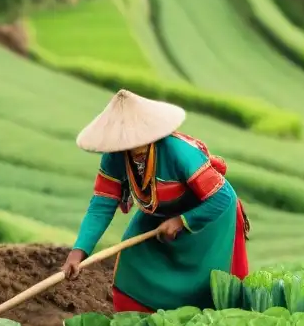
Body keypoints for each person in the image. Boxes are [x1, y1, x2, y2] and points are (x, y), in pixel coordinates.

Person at [61, 89, 250, 312]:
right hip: (158, 211)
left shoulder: (178, 152)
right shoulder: (115, 156)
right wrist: (79, 251)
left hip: (207, 215)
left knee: (208, 289)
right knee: (131, 267)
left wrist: (181, 221)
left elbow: (222, 197)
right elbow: (102, 205)